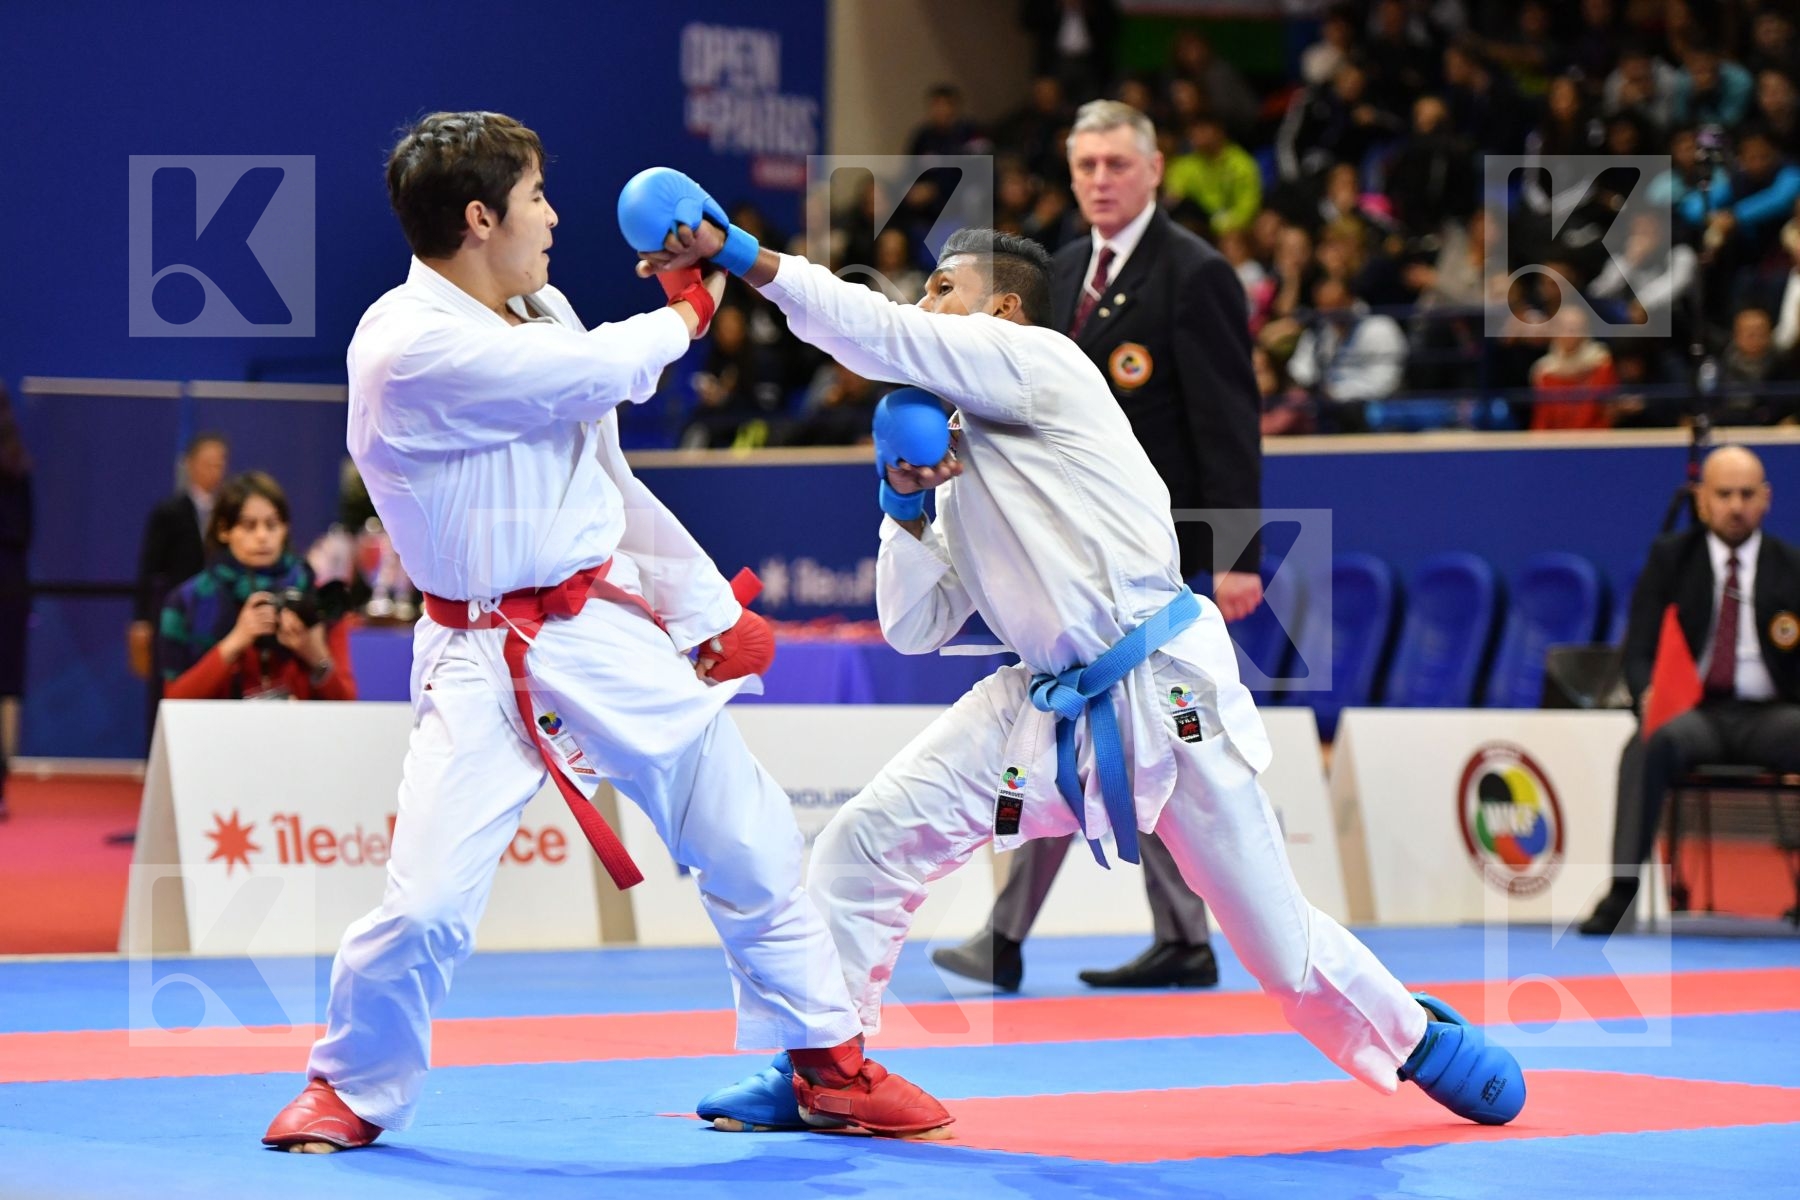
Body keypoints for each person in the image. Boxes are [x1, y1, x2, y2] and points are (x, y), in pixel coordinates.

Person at [629, 171, 1527, 1134]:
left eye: (944, 289)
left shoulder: (1043, 364)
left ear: (1003, 311)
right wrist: (901, 503)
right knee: (861, 846)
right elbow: (913, 627)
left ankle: (1415, 1038)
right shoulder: (960, 452)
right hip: (1041, 703)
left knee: (1278, 949)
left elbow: (877, 333)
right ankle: (825, 1067)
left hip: (1162, 687)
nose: (925, 305)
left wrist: (740, 255)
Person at [261, 112, 948, 1153]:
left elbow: (607, 481)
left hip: (596, 624)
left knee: (745, 827)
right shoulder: (405, 346)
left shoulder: (542, 305)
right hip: (481, 654)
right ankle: (351, 1088)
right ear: (481, 215)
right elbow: (589, 378)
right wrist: (687, 310)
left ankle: (828, 1064)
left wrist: (707, 611)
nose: (556, 215)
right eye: (538, 195)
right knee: (429, 902)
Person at [936, 101, 1265, 993]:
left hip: (1157, 551)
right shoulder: (1063, 270)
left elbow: (1229, 421)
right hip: (1064, 550)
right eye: (1085, 166)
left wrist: (1236, 553)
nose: (1099, 181)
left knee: (1099, 726)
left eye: (1117, 164)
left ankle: (1023, 934)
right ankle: (1156, 937)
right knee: (1088, 724)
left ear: (1154, 170)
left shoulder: (1194, 275)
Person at [1582, 446, 1800, 934]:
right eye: (1724, 494)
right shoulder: (1670, 560)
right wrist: (1647, 699)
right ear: (1702, 500)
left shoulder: (1792, 567)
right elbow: (1637, 651)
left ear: (1765, 500)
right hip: (1694, 715)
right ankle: (1622, 892)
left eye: (1747, 494)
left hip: (1773, 715)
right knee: (1645, 745)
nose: (1736, 505)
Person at [158, 471, 356, 703]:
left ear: (285, 529)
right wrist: (235, 641)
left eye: (272, 525)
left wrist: (315, 654)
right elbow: (175, 702)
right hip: (219, 735)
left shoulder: (318, 599)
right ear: (224, 530)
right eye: (249, 526)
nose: (262, 536)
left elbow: (347, 705)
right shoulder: (187, 601)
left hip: (301, 735)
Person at [131, 433, 228, 740]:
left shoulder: (230, 515)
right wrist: (142, 619)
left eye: (220, 463)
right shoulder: (169, 512)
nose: (214, 470)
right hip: (173, 616)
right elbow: (149, 567)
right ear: (190, 465)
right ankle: (157, 759)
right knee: (165, 689)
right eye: (207, 463)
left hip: (216, 619)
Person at [0, 387, 30, 821]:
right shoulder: (18, 467)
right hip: (10, 584)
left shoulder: (16, 468)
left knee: (5, 686)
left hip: (7, 585)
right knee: (6, 687)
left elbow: (23, 531)